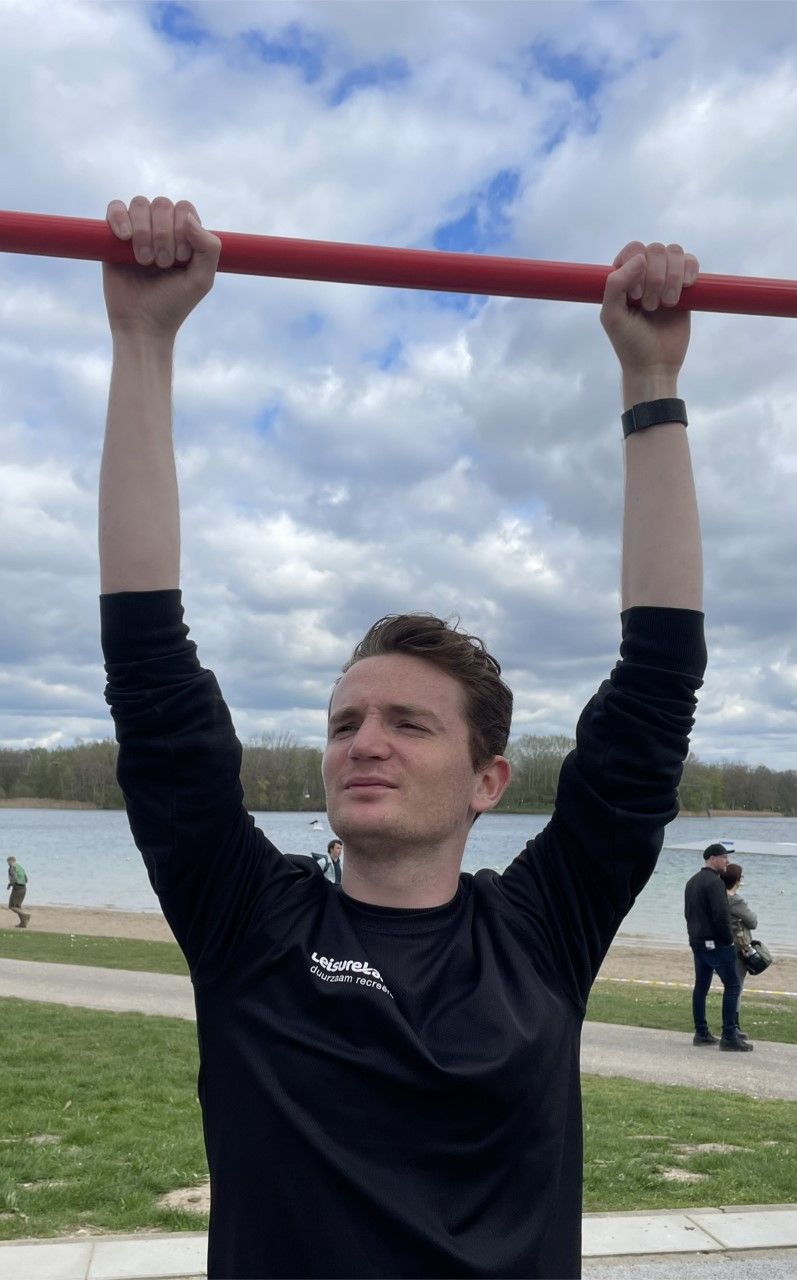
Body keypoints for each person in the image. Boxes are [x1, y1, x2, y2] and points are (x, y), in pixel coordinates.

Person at [99, 195, 707, 1280]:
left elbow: (656, 685)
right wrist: (143, 339)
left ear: (487, 779)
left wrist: (649, 380)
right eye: (345, 722)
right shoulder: (250, 922)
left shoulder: (540, 932)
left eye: (406, 723)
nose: (362, 741)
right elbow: (152, 676)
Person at [684, 843, 752, 1051]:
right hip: (716, 944)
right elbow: (720, 916)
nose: (727, 861)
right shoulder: (715, 883)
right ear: (712, 858)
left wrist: (695, 937)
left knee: (701, 987)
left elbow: (688, 914)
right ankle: (729, 1036)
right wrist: (728, 941)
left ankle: (701, 1033)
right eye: (724, 857)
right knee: (733, 986)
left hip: (698, 942)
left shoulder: (692, 881)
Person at [721, 861, 758, 1041]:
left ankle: (732, 1024)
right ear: (737, 880)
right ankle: (733, 1025)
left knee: (731, 986)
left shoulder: (718, 897)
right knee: (736, 987)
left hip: (723, 946)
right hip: (738, 948)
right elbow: (753, 922)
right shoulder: (736, 901)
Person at [6, 856, 30, 928]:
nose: (8, 864)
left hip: (17, 889)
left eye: (8, 862)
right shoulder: (20, 867)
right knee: (18, 906)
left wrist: (10, 884)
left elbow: (14, 878)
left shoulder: (11, 868)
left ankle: (25, 915)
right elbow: (26, 879)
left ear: (10, 861)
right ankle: (23, 923)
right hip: (24, 888)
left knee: (11, 906)